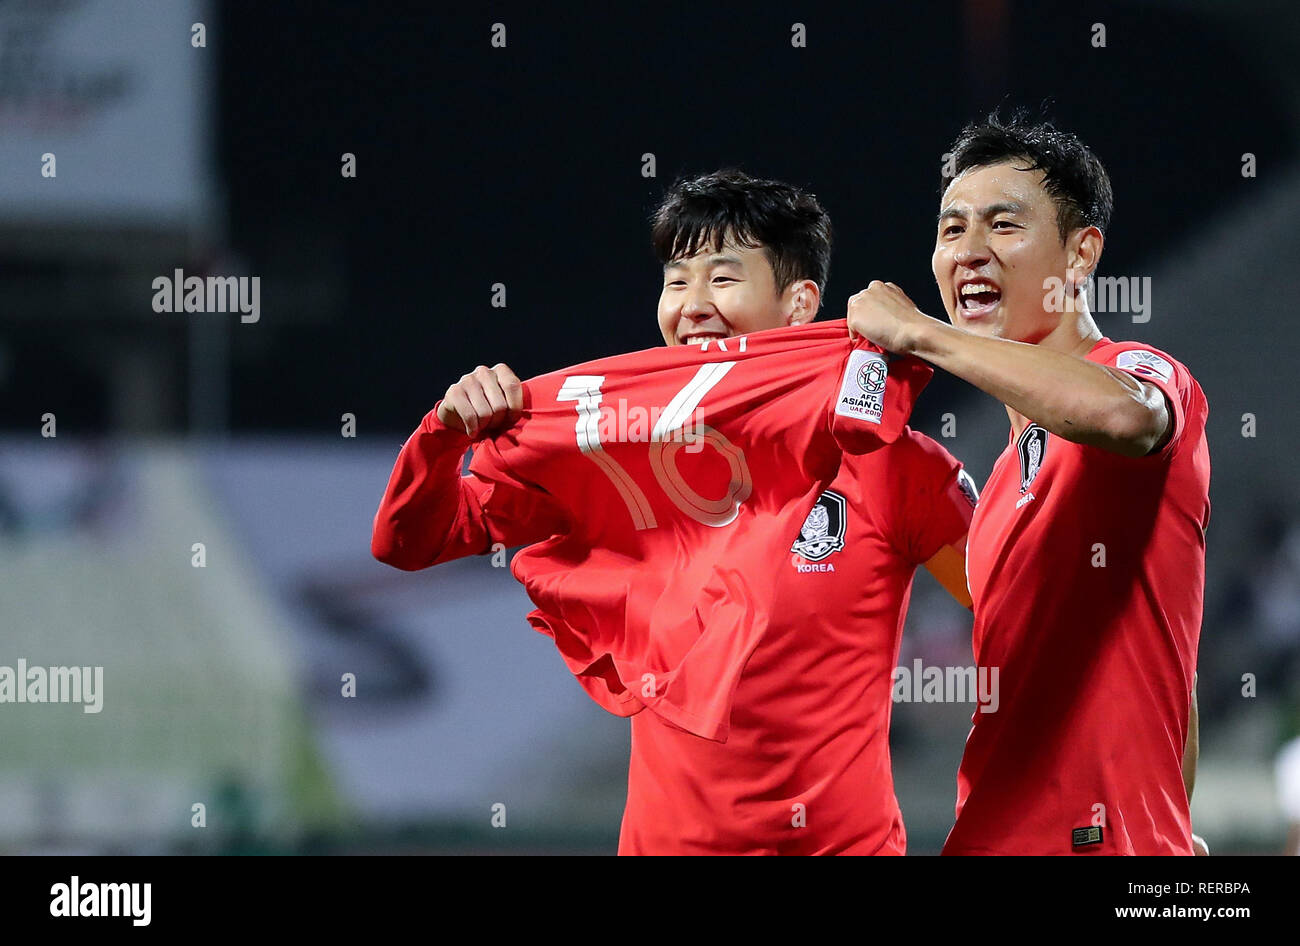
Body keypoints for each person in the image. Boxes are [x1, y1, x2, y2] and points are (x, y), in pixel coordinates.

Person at [373, 169, 977, 855]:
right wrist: (443, 433)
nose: (692, 304)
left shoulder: (895, 463)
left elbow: (1008, 603)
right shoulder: (616, 448)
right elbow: (410, 542)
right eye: (676, 280)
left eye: (722, 279)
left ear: (800, 302)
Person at [845, 113, 1209, 855]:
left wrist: (920, 333)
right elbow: (1175, 678)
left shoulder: (1142, 372)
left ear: (1080, 255)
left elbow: (1117, 411)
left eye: (1003, 225)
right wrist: (1175, 826)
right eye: (952, 231)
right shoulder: (1001, 483)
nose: (970, 252)